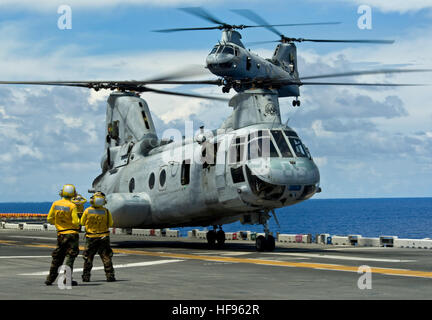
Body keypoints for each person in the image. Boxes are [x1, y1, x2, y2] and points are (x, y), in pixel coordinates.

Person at [45, 184, 80, 286]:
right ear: (73, 193)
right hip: (72, 234)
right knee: (70, 256)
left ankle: (50, 279)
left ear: (62, 192)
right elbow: (75, 222)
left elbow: (49, 219)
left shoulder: (55, 204)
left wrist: (59, 224)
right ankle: (67, 279)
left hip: (61, 234)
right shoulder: (72, 206)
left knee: (58, 256)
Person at [80, 192, 116, 282]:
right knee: (106, 257)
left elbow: (82, 222)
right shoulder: (106, 211)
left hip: (91, 237)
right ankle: (110, 275)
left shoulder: (87, 211)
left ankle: (86, 276)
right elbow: (111, 224)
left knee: (88, 257)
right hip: (104, 237)